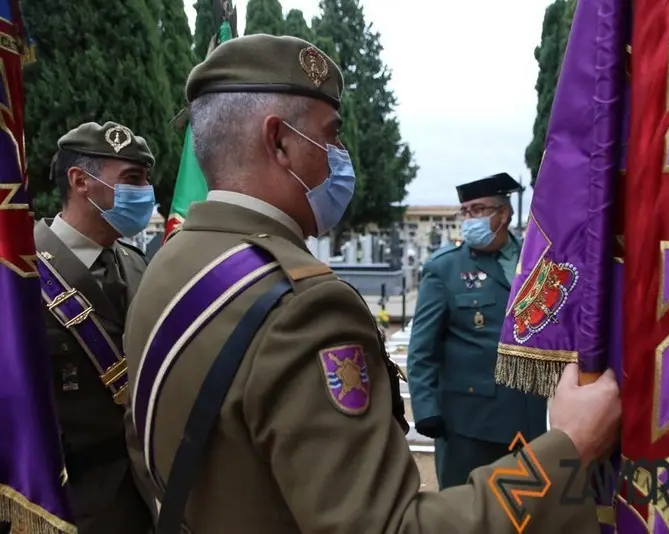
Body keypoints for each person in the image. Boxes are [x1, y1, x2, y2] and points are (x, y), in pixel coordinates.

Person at [124, 33, 621, 533]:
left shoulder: (168, 263)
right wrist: (568, 450)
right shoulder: (303, 308)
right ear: (279, 142)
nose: (341, 154)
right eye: (332, 135)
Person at [33, 121, 158, 533]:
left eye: (146, 179)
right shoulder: (20, 271)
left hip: (143, 497)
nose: (145, 192)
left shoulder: (137, 264)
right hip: (63, 503)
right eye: (132, 179)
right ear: (80, 181)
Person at [407, 174, 550, 489]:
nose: (470, 219)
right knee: (466, 511)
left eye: (479, 210)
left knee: (526, 509)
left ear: (504, 213)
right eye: (465, 211)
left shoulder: (536, 259)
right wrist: (426, 409)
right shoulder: (444, 268)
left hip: (529, 417)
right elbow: (422, 348)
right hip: (468, 424)